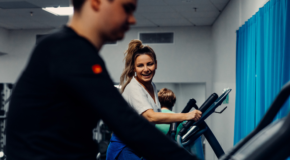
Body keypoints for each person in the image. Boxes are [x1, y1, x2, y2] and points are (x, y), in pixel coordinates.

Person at [5, 0, 199, 160]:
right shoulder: (68, 51)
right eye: (126, 8)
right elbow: (126, 122)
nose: (131, 19)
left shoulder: (72, 50)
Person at [106, 40, 202, 160]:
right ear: (134, 68)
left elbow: (156, 119)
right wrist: (186, 116)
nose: (146, 69)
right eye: (140, 65)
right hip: (123, 148)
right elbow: (151, 116)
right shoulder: (133, 87)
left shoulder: (152, 86)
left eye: (149, 64)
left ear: (156, 64)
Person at [156, 88, 205, 160]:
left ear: (158, 102)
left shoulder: (152, 120)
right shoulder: (183, 122)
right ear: (173, 103)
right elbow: (195, 151)